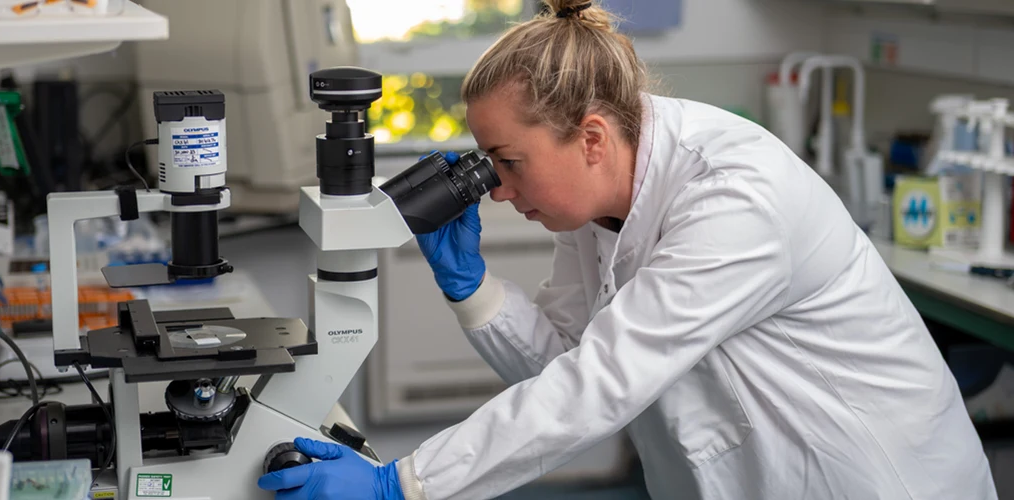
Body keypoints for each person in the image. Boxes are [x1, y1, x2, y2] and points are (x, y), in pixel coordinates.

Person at [258, 1, 999, 498]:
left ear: (589, 138)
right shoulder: (603, 197)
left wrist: (404, 485)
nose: (498, 191)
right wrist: (472, 285)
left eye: (506, 162)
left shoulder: (737, 197)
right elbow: (567, 364)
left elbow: (600, 384)